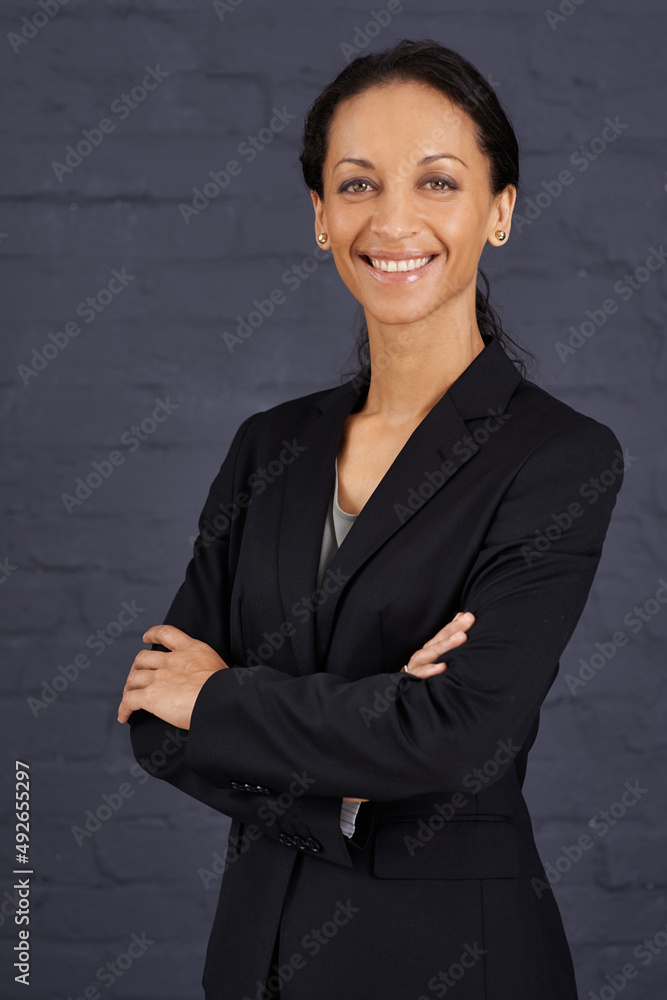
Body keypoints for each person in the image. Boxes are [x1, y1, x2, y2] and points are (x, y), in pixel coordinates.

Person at [118, 39, 625, 1000]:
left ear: (500, 210)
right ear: (319, 215)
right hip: (252, 960)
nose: (392, 221)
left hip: (449, 959)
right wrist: (352, 772)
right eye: (356, 185)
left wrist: (223, 699)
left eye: (437, 182)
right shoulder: (268, 447)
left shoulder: (559, 456)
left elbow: (452, 734)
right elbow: (153, 715)